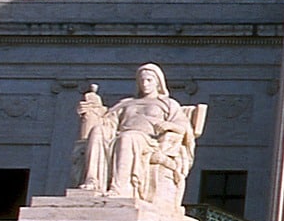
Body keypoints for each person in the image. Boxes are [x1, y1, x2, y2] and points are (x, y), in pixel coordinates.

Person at [76, 64, 198, 205]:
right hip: (121, 134)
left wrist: (169, 125)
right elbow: (108, 121)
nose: (145, 84)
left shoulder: (169, 104)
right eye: (141, 80)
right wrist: (91, 111)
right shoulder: (126, 103)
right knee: (98, 131)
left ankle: (120, 188)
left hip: (149, 141)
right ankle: (92, 182)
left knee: (128, 138)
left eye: (149, 80)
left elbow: (184, 128)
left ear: (158, 82)